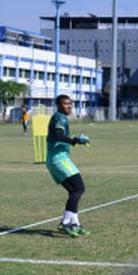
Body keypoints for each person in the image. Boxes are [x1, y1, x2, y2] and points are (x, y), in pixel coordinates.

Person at [47, 95, 91, 237]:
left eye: (70, 104)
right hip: (59, 159)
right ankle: (65, 222)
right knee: (79, 188)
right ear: (59, 105)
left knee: (74, 191)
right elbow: (59, 135)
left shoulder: (60, 117)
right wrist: (75, 140)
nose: (69, 106)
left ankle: (75, 224)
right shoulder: (60, 117)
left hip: (55, 159)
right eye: (66, 104)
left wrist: (75, 140)